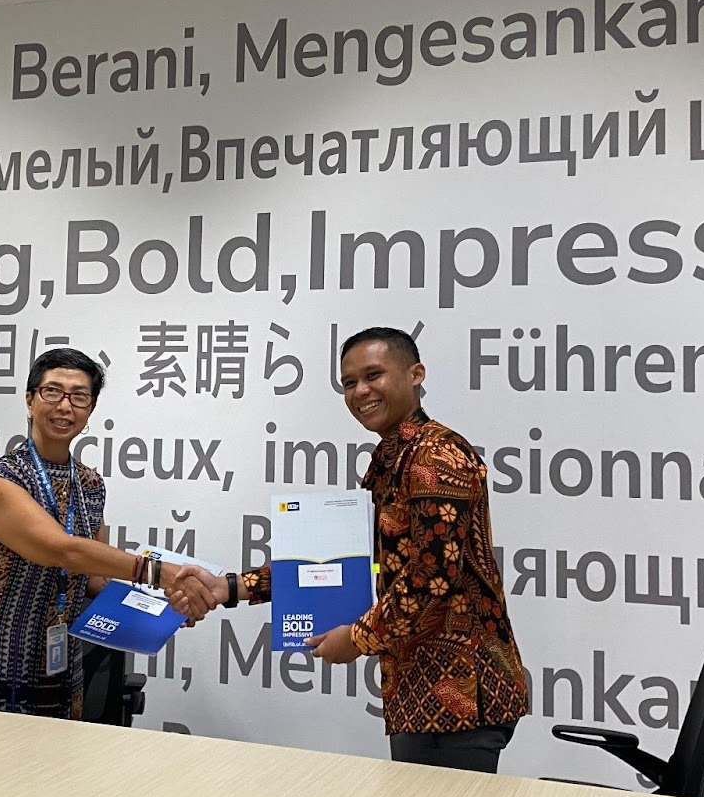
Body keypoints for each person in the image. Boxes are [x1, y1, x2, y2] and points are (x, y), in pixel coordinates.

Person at [176, 327, 529, 772]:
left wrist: (357, 638)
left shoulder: (435, 456)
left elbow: (430, 581)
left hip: (459, 695)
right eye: (349, 382)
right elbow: (347, 564)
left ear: (415, 374)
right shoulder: (391, 458)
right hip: (421, 691)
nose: (360, 391)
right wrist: (229, 587)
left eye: (373, 375)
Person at [0, 347, 216, 719]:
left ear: (90, 410)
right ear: (30, 400)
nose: (65, 406)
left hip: (60, 665)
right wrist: (159, 572)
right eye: (52, 391)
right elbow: (64, 551)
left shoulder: (90, 485)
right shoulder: (1, 480)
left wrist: (169, 606)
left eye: (79, 396)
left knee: (58, 756)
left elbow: (94, 579)